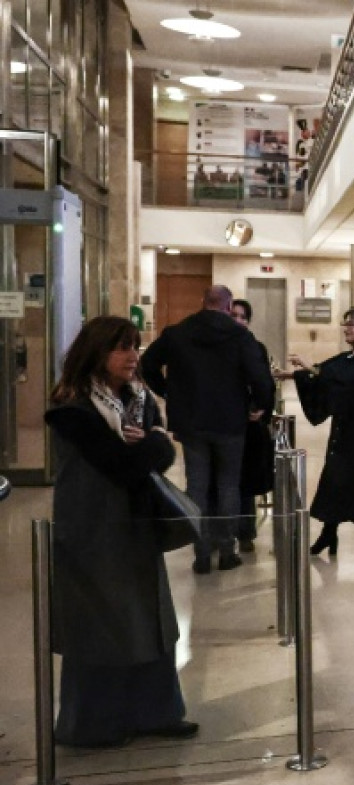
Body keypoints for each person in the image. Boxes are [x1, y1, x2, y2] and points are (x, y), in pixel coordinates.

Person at [45, 316, 198, 748]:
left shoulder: (138, 400)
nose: (133, 356)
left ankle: (156, 711)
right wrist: (157, 443)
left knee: (149, 620)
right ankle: (94, 722)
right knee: (99, 625)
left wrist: (156, 444)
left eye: (135, 346)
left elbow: (154, 455)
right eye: (122, 348)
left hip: (135, 526)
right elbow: (124, 465)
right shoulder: (71, 408)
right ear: (96, 352)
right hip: (92, 528)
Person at [141, 285, 275, 574]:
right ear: (229, 307)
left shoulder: (177, 332)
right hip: (230, 423)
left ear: (203, 303)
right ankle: (227, 551)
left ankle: (201, 553)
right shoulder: (240, 336)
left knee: (197, 485)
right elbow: (261, 377)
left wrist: (168, 393)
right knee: (229, 485)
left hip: (192, 423)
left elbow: (147, 364)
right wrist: (260, 406)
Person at [276, 308, 354, 559]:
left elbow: (344, 380)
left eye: (352, 325)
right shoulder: (349, 358)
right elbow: (325, 373)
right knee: (335, 480)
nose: (346, 329)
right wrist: (292, 375)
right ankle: (329, 533)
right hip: (347, 433)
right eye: (345, 324)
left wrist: (306, 369)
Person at [228, 299, 276, 552]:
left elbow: (265, 382)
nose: (239, 320)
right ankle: (220, 534)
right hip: (225, 421)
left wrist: (261, 408)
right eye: (234, 315)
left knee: (245, 481)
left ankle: (246, 532)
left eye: (243, 317)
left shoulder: (256, 347)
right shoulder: (218, 347)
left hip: (248, 424)